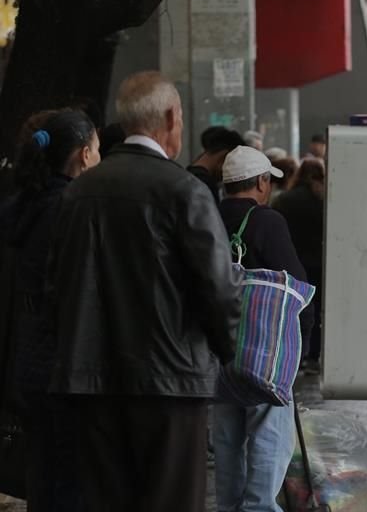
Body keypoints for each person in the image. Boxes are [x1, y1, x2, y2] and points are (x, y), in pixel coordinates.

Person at [47, 70, 242, 512]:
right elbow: (219, 290)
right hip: (171, 386)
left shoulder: (78, 195)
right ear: (172, 118)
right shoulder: (183, 190)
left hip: (91, 383)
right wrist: (227, 353)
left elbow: (55, 285)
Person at [0, 109, 100, 512]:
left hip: (27, 358)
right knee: (72, 479)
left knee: (42, 473)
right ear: (82, 155)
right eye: (96, 149)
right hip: (66, 362)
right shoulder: (72, 208)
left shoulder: (21, 206)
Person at [214, 146, 306, 512]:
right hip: (264, 351)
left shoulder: (206, 214)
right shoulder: (268, 221)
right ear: (262, 182)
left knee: (226, 440)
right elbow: (296, 285)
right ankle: (259, 509)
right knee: (269, 435)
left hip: (219, 348)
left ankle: (230, 508)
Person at [273, 159, 325, 373]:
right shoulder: (321, 201)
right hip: (317, 263)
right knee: (315, 310)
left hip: (290, 261)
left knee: (290, 309)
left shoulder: (283, 200)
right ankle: (312, 357)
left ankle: (291, 355)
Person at [188, 126, 245, 201]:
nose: (230, 172)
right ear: (224, 156)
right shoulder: (206, 186)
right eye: (233, 164)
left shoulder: (186, 175)